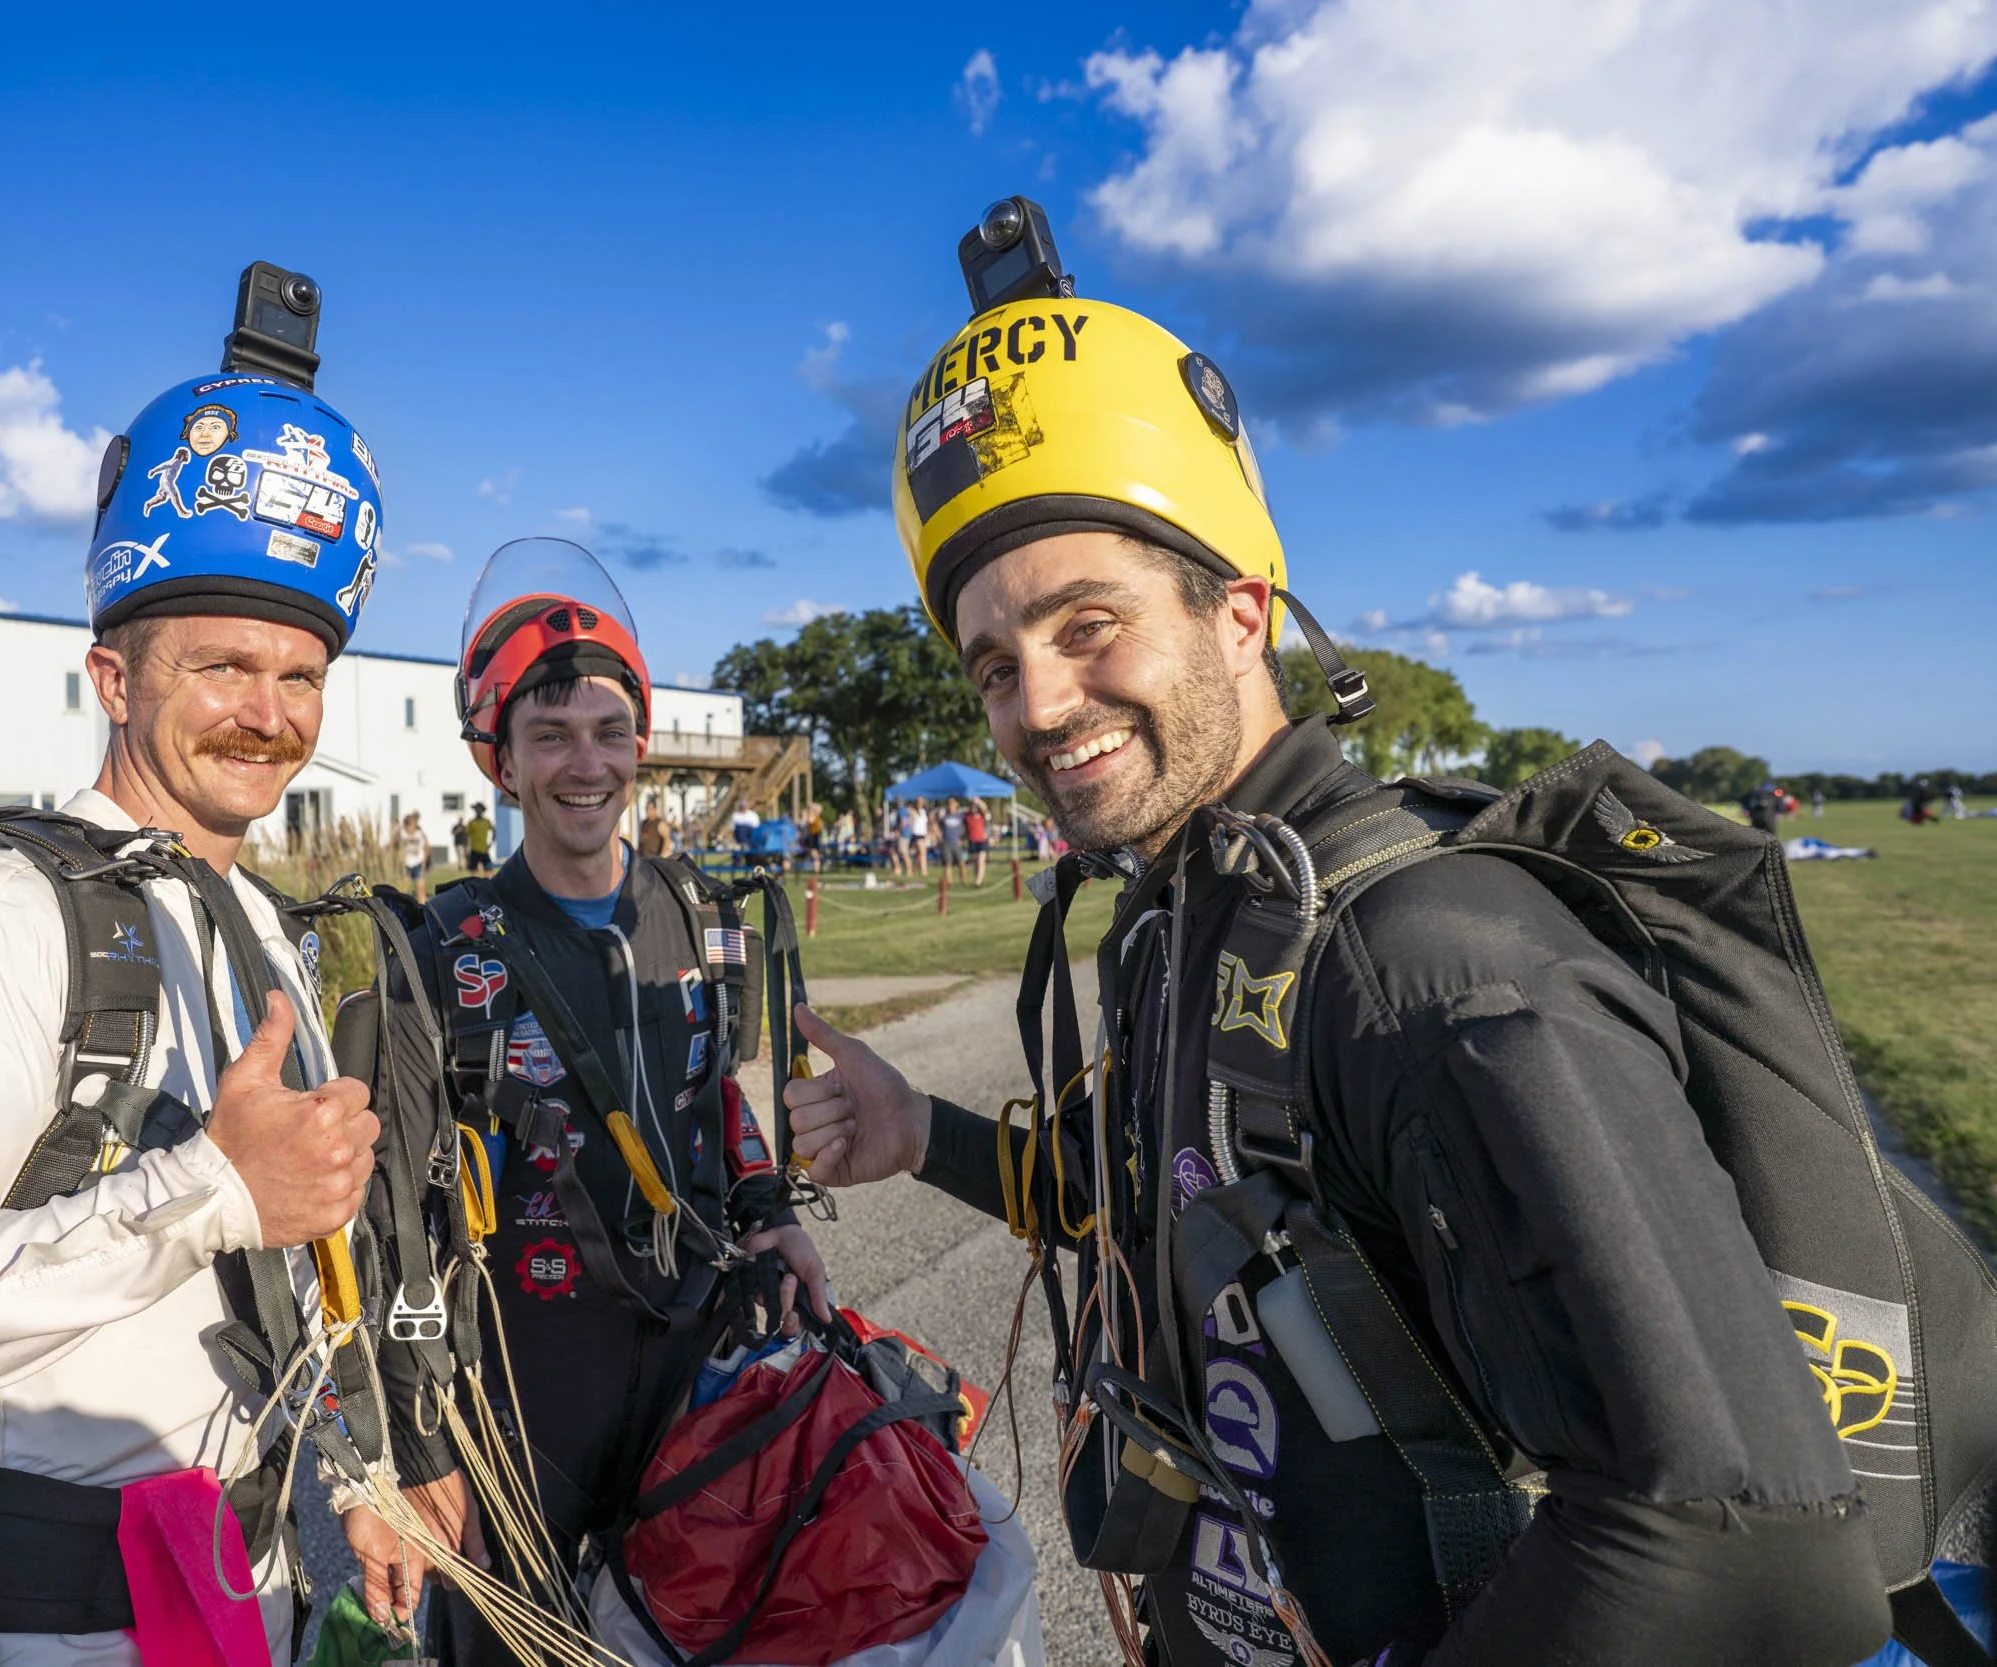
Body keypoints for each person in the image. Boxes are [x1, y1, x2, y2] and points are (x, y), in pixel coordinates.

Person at [784, 219, 1892, 1667]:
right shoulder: (1186, 920)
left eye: (1090, 622)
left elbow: (1741, 1541)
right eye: (996, 662)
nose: (1039, 703)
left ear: (1241, 613)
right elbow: (1155, 1200)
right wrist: (915, 1125)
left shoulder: (1426, 956)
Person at [0, 358, 390, 1665]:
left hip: (241, 1575)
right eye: (224, 666)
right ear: (113, 679)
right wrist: (211, 1194)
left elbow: (284, 1273)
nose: (270, 716)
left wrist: (360, 1473)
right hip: (49, 1612)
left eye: (302, 676)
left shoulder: (262, 928)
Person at [338, 538, 828, 1659]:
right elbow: (393, 1220)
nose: (583, 762)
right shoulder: (439, 943)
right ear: (498, 758)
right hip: (522, 1385)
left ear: (641, 743)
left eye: (609, 731)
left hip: (695, 1353)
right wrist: (416, 1442)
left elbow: (715, 1094)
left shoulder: (700, 911)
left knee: (717, 1622)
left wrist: (768, 1206)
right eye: (548, 734)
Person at [401, 808, 430, 903]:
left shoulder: (420, 834)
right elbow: (394, 846)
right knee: (404, 889)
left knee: (420, 888)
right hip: (405, 864)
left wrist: (425, 861)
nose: (411, 827)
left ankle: (422, 906)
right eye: (409, 825)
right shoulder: (402, 834)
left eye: (413, 824)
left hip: (417, 863)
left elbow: (426, 847)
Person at [962, 798, 990, 887]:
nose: (974, 808)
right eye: (972, 806)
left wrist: (977, 800)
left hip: (982, 840)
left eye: (975, 806)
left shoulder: (982, 815)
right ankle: (977, 879)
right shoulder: (967, 816)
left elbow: (985, 808)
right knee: (975, 861)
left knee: (981, 861)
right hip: (972, 840)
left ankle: (978, 881)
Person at [463, 801, 495, 872]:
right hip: (474, 849)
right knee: (473, 870)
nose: (478, 811)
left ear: (483, 810)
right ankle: (475, 882)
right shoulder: (471, 822)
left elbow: (494, 831)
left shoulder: (487, 821)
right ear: (475, 810)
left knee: (489, 870)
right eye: (476, 809)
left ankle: (487, 882)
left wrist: (491, 842)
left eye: (480, 809)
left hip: (484, 849)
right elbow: (467, 836)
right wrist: (467, 849)